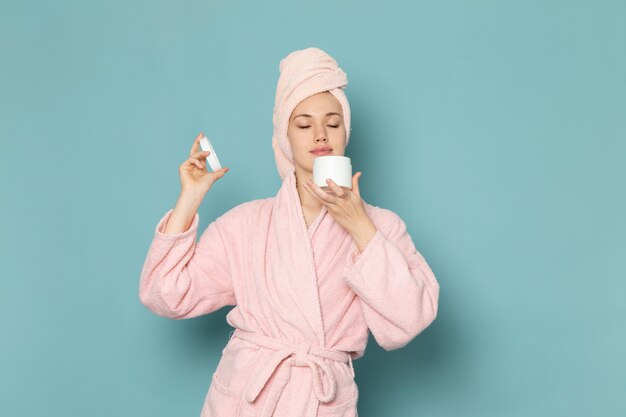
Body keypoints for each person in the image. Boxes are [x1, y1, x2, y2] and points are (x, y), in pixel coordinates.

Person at [139, 47, 440, 417]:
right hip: (247, 400)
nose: (320, 134)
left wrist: (360, 227)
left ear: (346, 132)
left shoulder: (382, 226)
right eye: (303, 124)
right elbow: (164, 294)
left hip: (321, 401)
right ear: (284, 134)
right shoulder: (246, 224)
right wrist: (190, 198)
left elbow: (407, 321)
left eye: (332, 123)